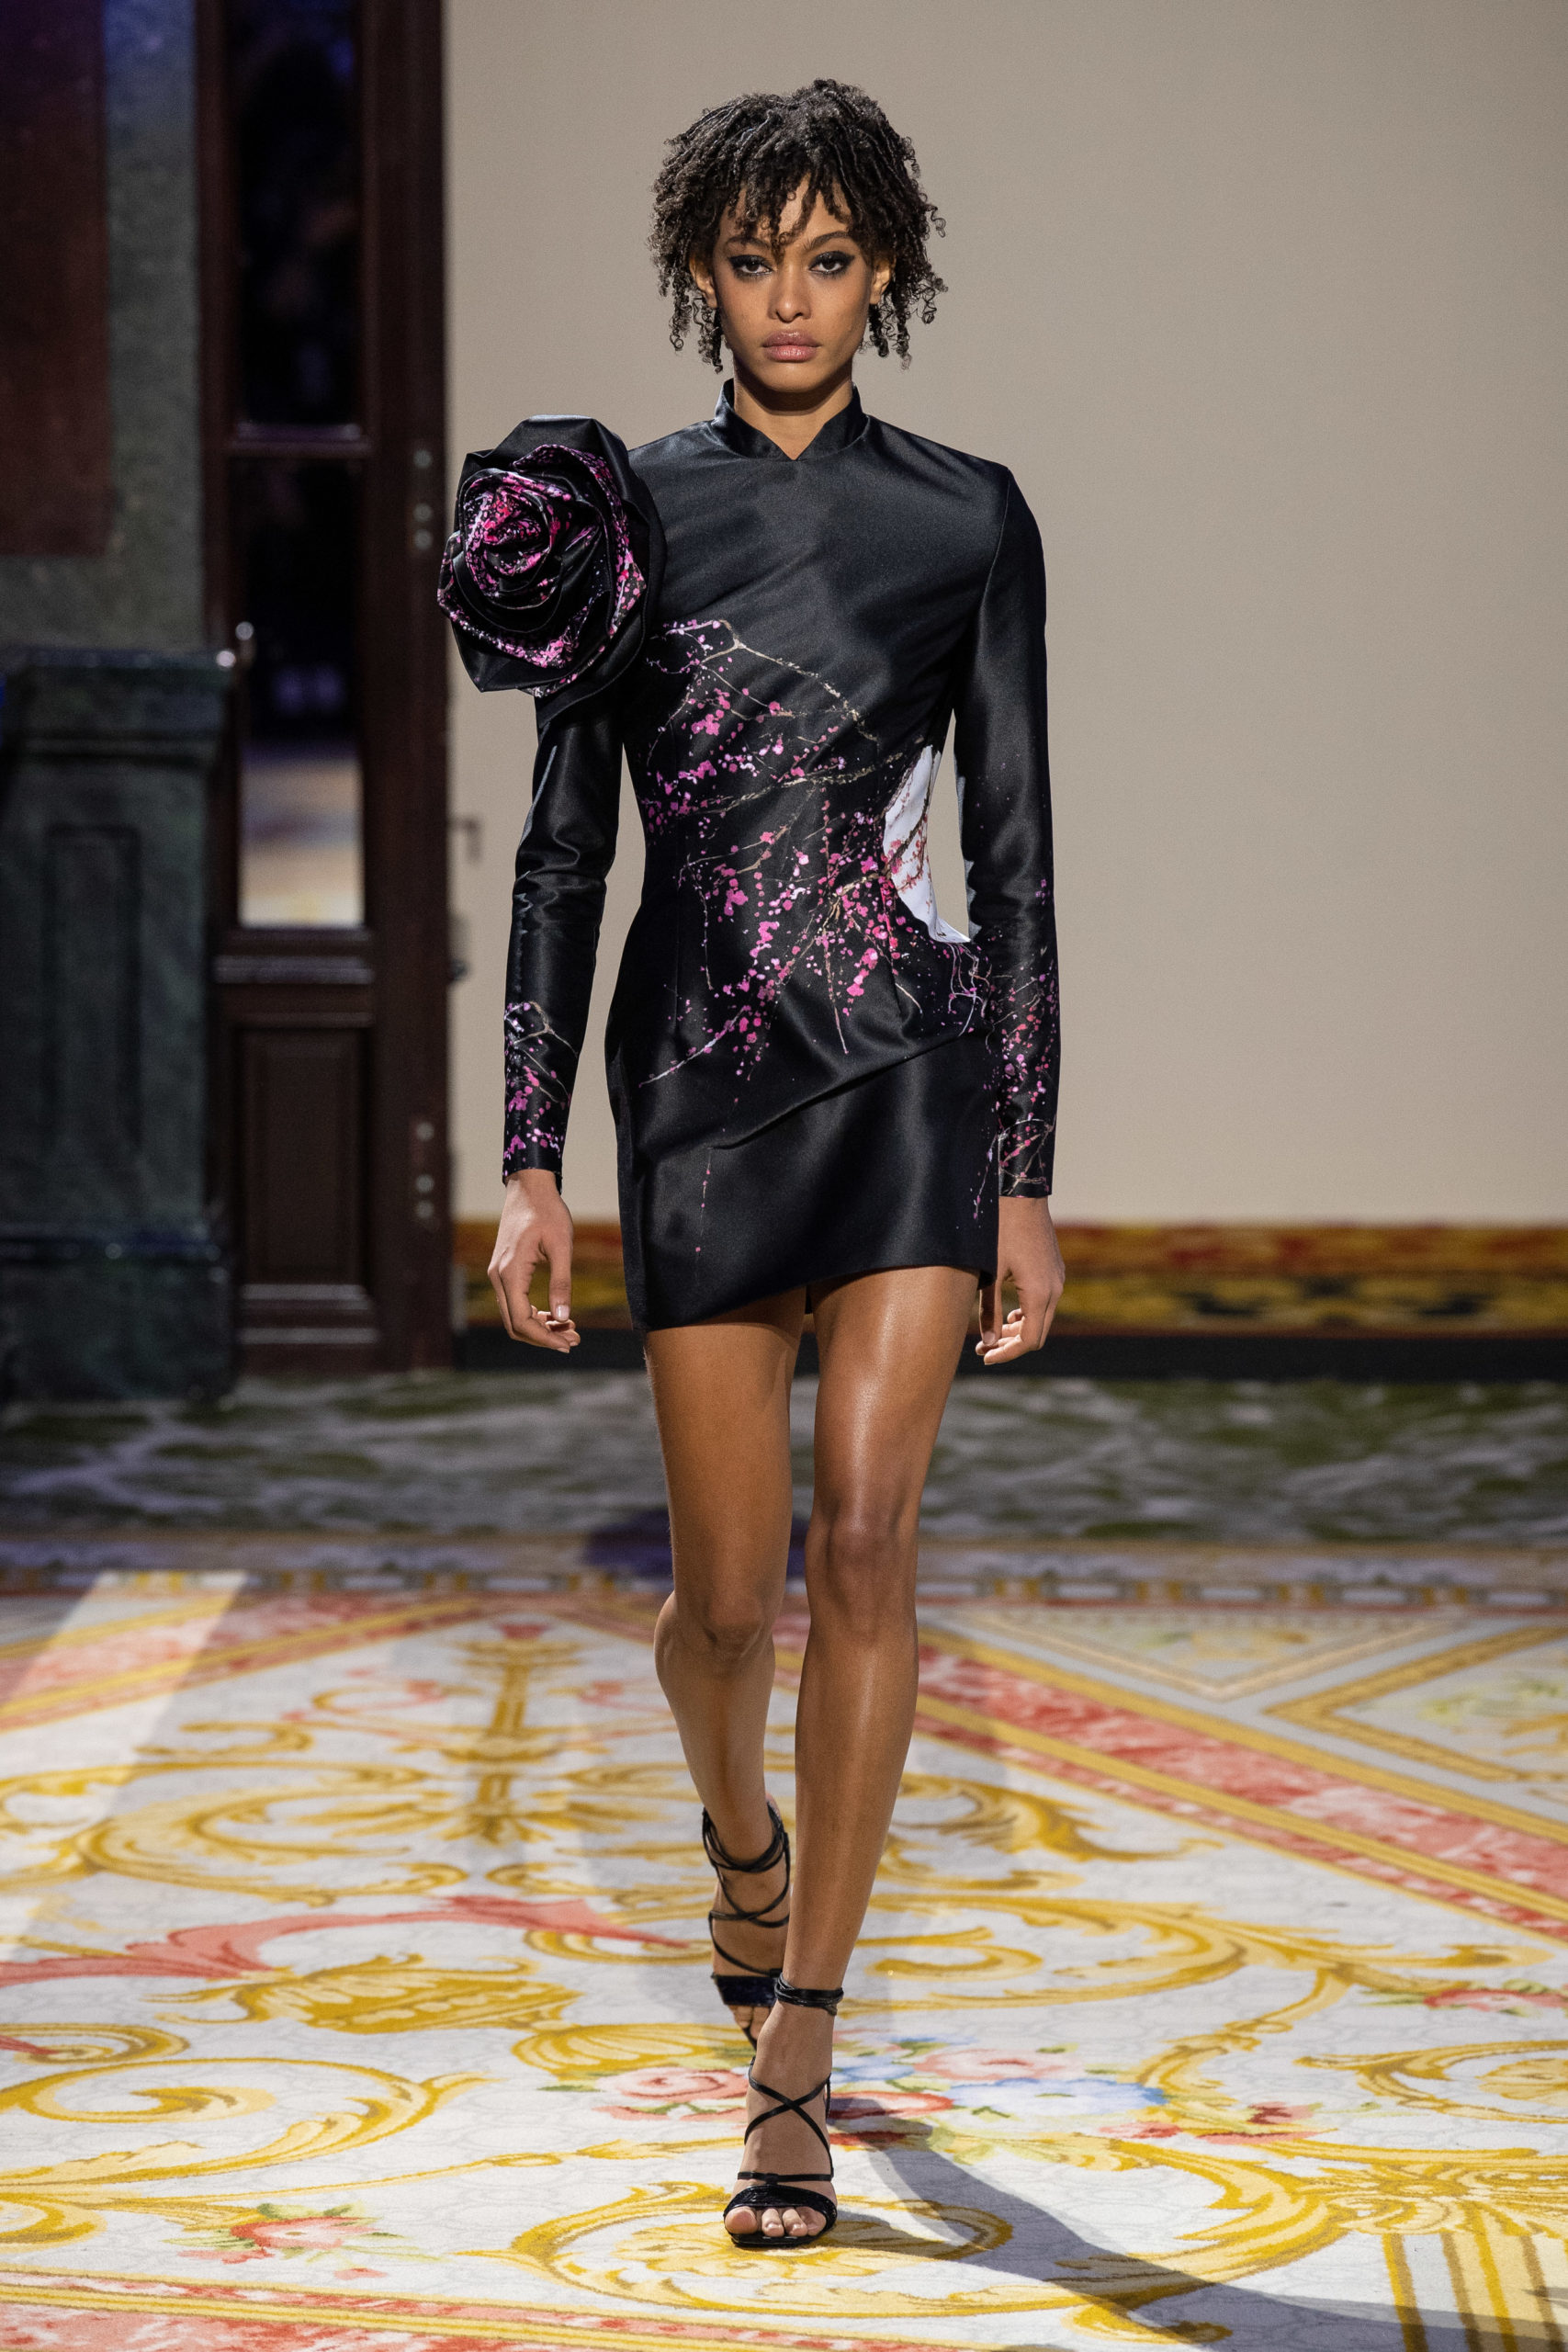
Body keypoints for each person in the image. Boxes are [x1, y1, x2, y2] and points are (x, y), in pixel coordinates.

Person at [440, 77, 1064, 2247]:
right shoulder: (621, 516)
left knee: (864, 1543)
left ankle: (793, 2048)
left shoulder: (966, 518)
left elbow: (1013, 854)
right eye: (747, 258)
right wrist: (528, 1155)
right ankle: (735, 1840)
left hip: (909, 1075)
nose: (786, 296)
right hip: (698, 1097)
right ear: (697, 274)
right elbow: (560, 856)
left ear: (881, 272)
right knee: (722, 1606)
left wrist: (1022, 1161)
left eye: (825, 257)